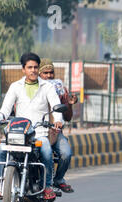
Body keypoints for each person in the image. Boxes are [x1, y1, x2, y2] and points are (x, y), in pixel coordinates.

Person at [0, 52, 63, 200]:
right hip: (18, 132)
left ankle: (47, 186)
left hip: (40, 132)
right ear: (23, 69)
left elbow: (56, 105)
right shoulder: (15, 86)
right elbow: (5, 109)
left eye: (36, 67)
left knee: (47, 151)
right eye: (29, 67)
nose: (33, 70)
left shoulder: (47, 87)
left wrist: (58, 120)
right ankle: (2, 183)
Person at [39, 59, 76, 193]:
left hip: (54, 131)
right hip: (36, 131)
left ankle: (58, 179)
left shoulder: (60, 89)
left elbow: (67, 117)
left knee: (66, 153)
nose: (49, 76)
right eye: (45, 73)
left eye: (51, 73)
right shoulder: (33, 87)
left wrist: (70, 104)